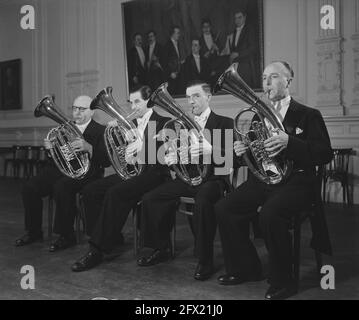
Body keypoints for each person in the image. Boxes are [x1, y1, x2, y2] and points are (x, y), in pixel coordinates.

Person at [214, 61, 333, 300]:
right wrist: (242, 151)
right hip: (265, 180)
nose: (266, 82)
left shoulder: (308, 115)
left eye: (274, 76)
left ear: (289, 80)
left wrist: (291, 142)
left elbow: (324, 154)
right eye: (264, 77)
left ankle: (283, 281)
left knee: (269, 214)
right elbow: (254, 154)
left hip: (297, 183)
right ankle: (246, 268)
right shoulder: (258, 116)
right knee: (224, 207)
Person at [137, 81, 233, 281]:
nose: (191, 101)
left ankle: (205, 259)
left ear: (208, 97)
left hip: (214, 179)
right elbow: (180, 158)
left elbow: (230, 160)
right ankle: (160, 247)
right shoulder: (181, 126)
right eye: (188, 97)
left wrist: (211, 151)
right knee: (151, 198)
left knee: (203, 201)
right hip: (189, 178)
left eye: (196, 96)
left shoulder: (224, 122)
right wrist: (172, 157)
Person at [71, 85, 171, 272]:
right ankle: (108, 237)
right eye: (130, 102)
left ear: (149, 101)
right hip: (133, 172)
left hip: (154, 174)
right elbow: (113, 157)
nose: (133, 106)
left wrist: (139, 145)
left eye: (137, 102)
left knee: (116, 193)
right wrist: (116, 138)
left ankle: (97, 249)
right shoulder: (130, 125)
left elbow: (160, 156)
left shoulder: (164, 122)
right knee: (90, 191)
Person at [15, 95, 109, 251]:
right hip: (61, 169)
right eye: (74, 108)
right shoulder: (64, 128)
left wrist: (89, 148)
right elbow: (56, 159)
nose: (77, 113)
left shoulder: (101, 130)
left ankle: (66, 235)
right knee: (30, 187)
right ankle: (34, 232)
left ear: (92, 112)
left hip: (87, 172)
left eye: (82, 109)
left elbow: (105, 161)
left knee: (62, 187)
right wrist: (51, 151)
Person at [221, 11, 258, 88]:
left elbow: (253, 48)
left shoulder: (249, 30)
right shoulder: (234, 32)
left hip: (246, 67)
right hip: (236, 68)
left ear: (244, 18)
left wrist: (238, 54)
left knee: (246, 90)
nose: (237, 20)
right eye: (235, 18)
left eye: (239, 17)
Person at [163, 26, 185, 95]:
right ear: (173, 34)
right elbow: (164, 61)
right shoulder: (167, 45)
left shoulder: (178, 44)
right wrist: (170, 73)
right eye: (178, 33)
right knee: (172, 95)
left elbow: (175, 59)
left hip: (177, 75)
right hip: (171, 77)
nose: (179, 35)